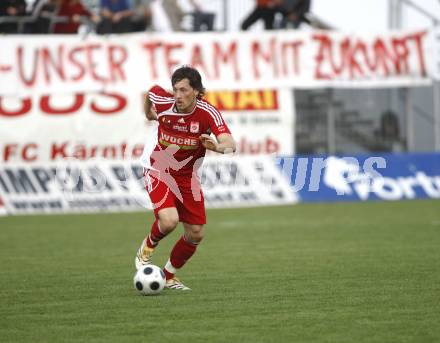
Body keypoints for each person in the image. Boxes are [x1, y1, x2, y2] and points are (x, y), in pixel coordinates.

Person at [135, 66, 236, 291]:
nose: (178, 96)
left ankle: (169, 276)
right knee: (169, 220)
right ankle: (147, 248)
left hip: (187, 176)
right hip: (158, 167)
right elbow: (151, 92)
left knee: (196, 233)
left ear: (197, 91)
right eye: (175, 90)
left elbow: (231, 145)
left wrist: (218, 148)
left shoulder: (208, 113)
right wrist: (148, 114)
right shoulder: (164, 102)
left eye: (183, 90)